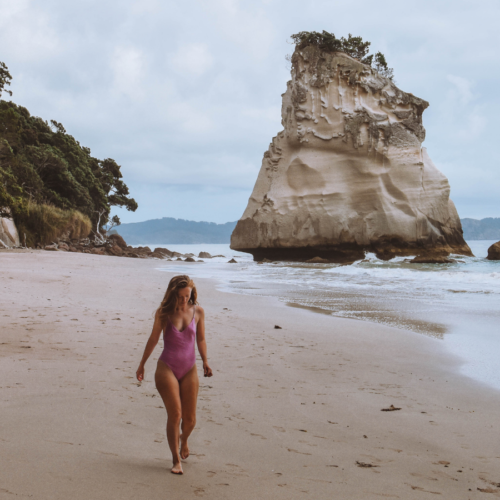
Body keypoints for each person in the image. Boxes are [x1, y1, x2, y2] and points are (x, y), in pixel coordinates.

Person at [136, 275, 213, 475]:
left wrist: (205, 360)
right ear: (173, 294)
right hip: (167, 368)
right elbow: (153, 338)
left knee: (190, 420)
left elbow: (201, 339)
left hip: (190, 369)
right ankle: (175, 460)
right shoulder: (163, 313)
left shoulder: (198, 312)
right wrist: (142, 364)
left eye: (187, 296)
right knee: (176, 414)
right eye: (180, 296)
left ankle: (184, 440)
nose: (184, 300)